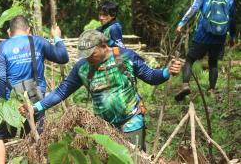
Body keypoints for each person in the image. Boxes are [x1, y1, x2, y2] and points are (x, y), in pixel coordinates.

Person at [20, 29, 182, 150]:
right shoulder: (82, 68)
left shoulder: (125, 57)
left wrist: (167, 72)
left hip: (132, 121)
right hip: (103, 128)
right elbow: (62, 92)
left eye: (92, 53)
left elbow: (151, 77)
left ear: (103, 45)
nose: (88, 57)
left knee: (135, 159)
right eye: (85, 54)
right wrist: (36, 107)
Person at [0, 15, 69, 164]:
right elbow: (63, 57)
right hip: (35, 95)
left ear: (9, 32)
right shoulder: (38, 41)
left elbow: (0, 77)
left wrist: (3, 101)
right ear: (28, 30)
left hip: (11, 98)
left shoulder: (3, 46)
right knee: (33, 134)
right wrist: (57, 37)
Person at [175, 0, 236, 101]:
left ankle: (185, 85)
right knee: (213, 63)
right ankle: (212, 90)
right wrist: (233, 37)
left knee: (189, 60)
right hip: (220, 37)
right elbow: (232, 19)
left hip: (203, 35)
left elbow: (193, 9)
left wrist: (181, 23)